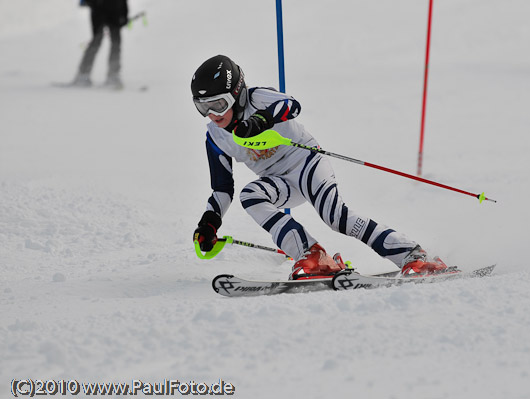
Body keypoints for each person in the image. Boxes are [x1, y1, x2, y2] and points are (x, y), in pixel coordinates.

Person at [191, 55, 447, 280]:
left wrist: (260, 120)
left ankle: (412, 254)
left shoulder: (257, 98)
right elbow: (222, 188)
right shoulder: (215, 136)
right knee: (251, 196)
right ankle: (313, 256)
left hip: (306, 163)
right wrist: (209, 223)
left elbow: (292, 105)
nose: (213, 114)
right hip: (278, 181)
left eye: (219, 105)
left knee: (335, 217)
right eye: (203, 107)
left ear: (236, 94)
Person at [72, 0, 129, 88]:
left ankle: (113, 74)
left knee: (116, 42)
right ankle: (83, 74)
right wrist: (95, 4)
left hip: (115, 12)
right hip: (99, 11)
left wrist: (125, 14)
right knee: (96, 41)